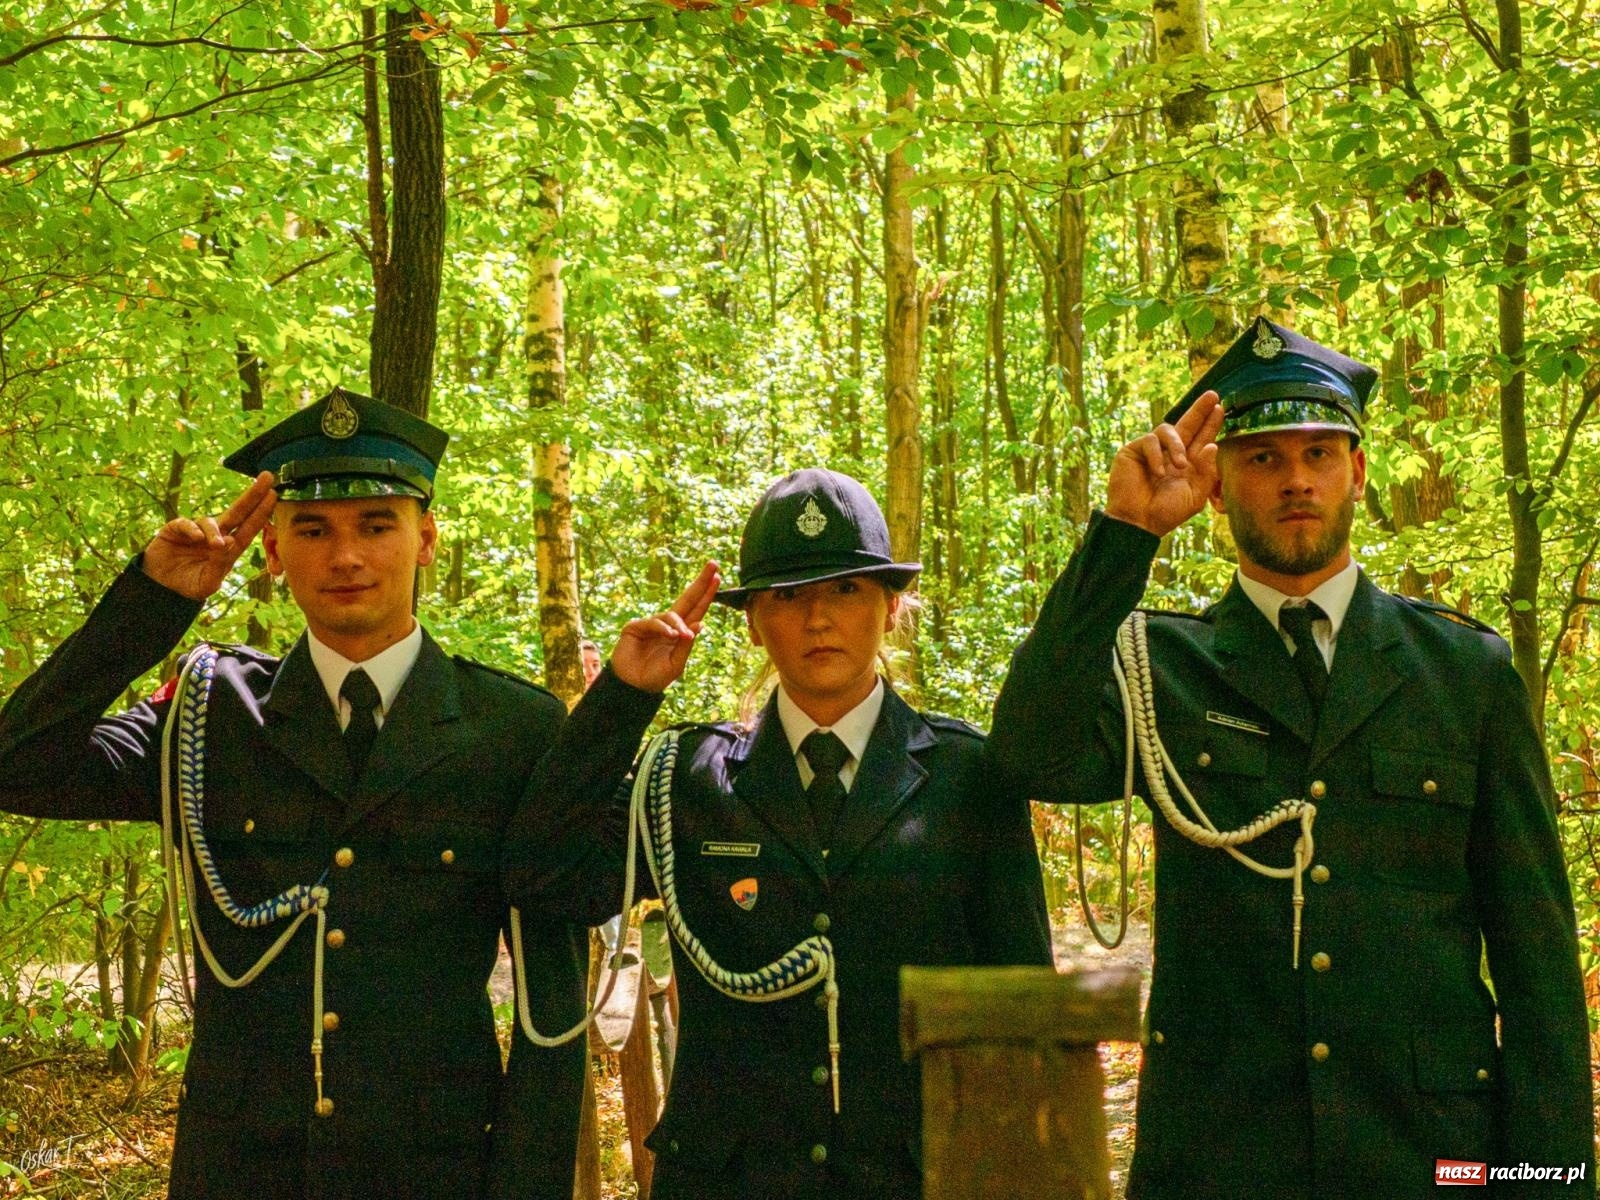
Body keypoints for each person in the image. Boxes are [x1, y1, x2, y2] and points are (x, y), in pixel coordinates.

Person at [985, 317, 1595, 1199]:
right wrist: (1124, 534)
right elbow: (1030, 756)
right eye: (1263, 458)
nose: (1296, 480)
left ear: (1357, 470)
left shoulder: (1465, 673)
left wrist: (1549, 1180)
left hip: (1432, 1163)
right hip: (1220, 1161)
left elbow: (1538, 969)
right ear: (1218, 488)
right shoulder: (1161, 667)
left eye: (1319, 452)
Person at [0, 388, 585, 1200]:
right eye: (312, 530)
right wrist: (154, 604)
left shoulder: (516, 730)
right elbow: (21, 765)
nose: (345, 556)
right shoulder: (212, 715)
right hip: (242, 1169)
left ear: (427, 542)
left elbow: (550, 1009)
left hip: (435, 1171)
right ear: (272, 553)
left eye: (377, 525)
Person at [505, 468, 1053, 1200]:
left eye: (845, 590)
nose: (816, 618)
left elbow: (1024, 1007)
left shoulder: (968, 776)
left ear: (891, 607)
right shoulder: (689, 777)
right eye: (788, 597)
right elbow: (545, 873)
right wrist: (622, 699)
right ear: (754, 621)